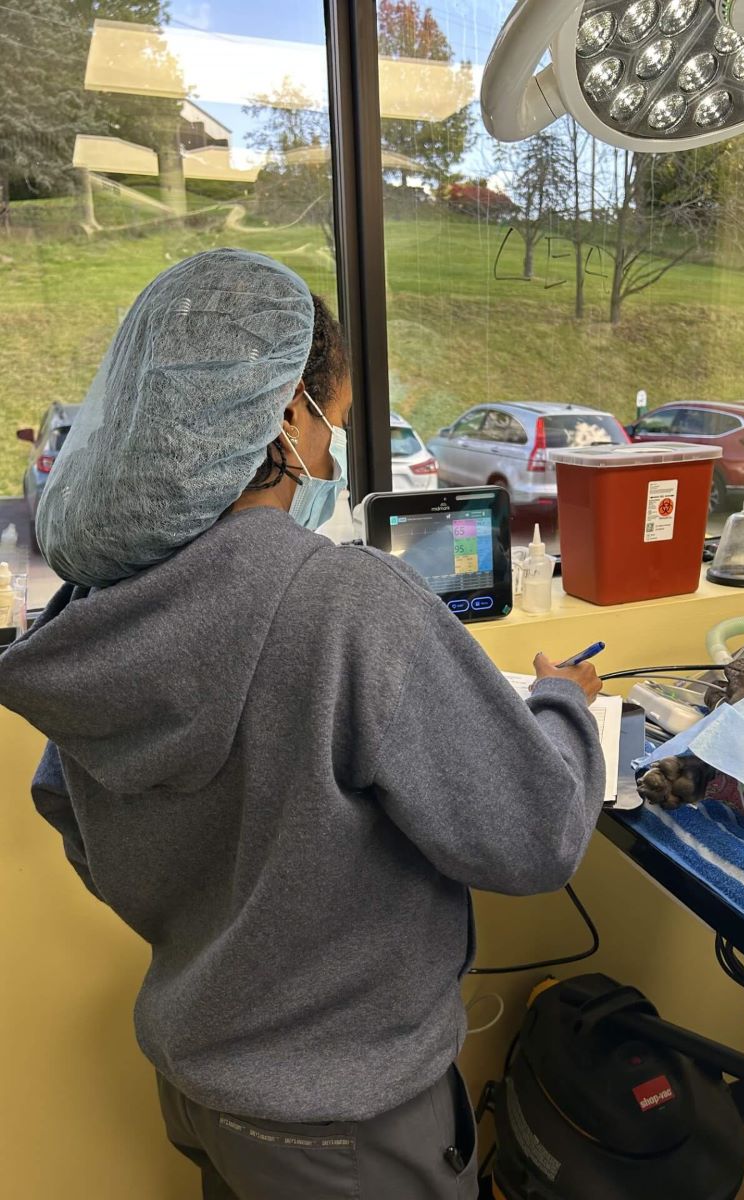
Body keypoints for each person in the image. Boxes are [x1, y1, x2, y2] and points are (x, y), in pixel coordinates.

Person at [0, 249, 605, 1200]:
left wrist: (220, 907)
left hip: (200, 1084)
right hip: (348, 1122)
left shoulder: (95, 614)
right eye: (335, 425)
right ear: (286, 412)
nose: (330, 459)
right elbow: (535, 835)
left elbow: (66, 808)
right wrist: (564, 705)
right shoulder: (346, 607)